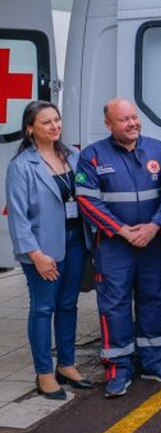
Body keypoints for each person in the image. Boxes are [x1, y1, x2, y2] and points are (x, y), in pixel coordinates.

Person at [77, 98, 161, 398]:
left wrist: (153, 226)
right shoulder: (92, 156)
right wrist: (121, 231)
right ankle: (118, 370)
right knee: (114, 305)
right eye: (124, 120)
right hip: (113, 246)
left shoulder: (159, 150)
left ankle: (154, 362)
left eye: (134, 117)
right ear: (109, 124)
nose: (132, 123)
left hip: (151, 242)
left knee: (154, 300)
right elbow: (86, 200)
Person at [5, 101, 92, 400]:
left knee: (68, 304)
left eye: (57, 120)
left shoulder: (74, 156)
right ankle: (44, 373)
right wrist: (36, 255)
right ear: (30, 129)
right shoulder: (21, 166)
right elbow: (17, 216)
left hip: (76, 241)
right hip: (43, 249)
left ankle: (66, 365)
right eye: (46, 122)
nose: (55, 126)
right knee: (43, 309)